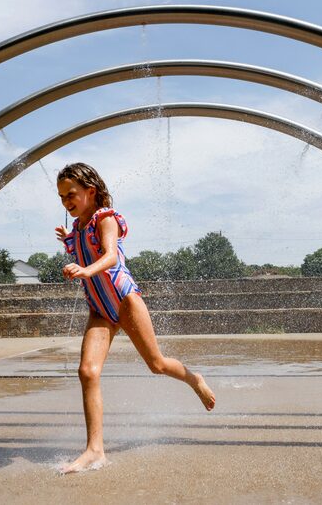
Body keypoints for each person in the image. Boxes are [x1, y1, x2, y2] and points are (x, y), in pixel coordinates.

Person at [54, 163, 215, 473]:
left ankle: (195, 380)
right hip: (100, 308)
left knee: (156, 365)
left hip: (125, 299)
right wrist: (66, 240)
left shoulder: (107, 218)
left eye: (71, 195)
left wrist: (85, 270)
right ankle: (95, 450)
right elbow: (80, 248)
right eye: (62, 197)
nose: (66, 202)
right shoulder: (77, 228)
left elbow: (111, 256)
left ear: (91, 192)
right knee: (87, 372)